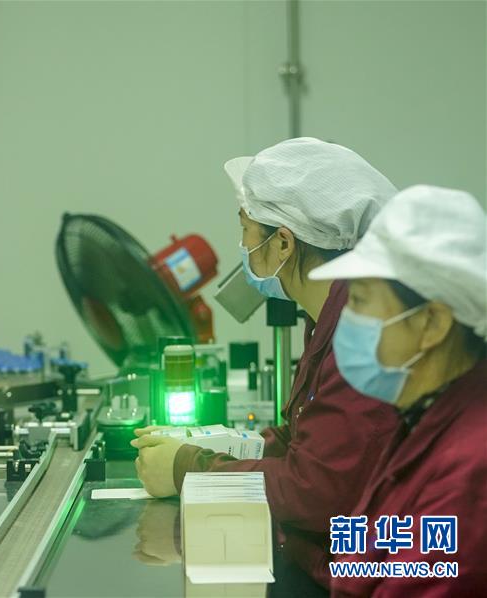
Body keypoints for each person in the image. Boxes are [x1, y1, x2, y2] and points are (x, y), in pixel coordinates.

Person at [132, 137, 402, 590]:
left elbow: (315, 489)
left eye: (245, 230)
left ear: (283, 243)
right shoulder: (330, 318)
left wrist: (186, 469)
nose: (242, 246)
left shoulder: (363, 333)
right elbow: (307, 440)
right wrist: (201, 441)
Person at [306, 185, 486, 596]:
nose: (348, 319)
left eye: (360, 301)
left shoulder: (470, 465)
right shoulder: (425, 418)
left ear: (432, 324)